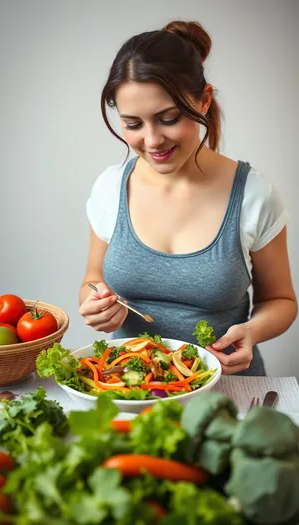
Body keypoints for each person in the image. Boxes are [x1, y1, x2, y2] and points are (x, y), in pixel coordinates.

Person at [79, 20, 297, 376]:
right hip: (127, 391)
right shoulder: (109, 187)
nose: (152, 141)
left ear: (204, 99)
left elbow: (281, 301)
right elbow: (92, 277)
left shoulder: (254, 196)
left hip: (226, 392)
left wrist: (252, 331)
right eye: (133, 124)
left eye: (168, 118)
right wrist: (94, 302)